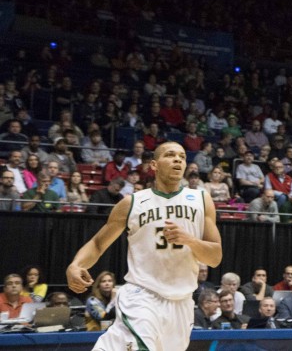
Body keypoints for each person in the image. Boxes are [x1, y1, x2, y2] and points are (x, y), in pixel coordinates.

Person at [66, 142, 223, 351]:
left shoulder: (201, 200)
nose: (178, 159)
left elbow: (215, 257)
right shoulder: (132, 203)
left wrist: (190, 240)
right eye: (170, 155)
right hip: (142, 295)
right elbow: (97, 243)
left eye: (182, 156)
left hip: (182, 302)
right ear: (154, 165)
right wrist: (75, 265)